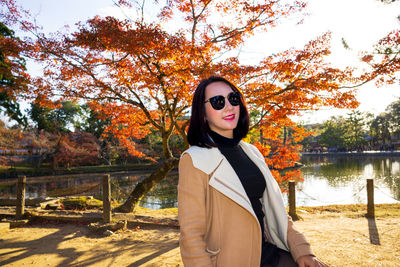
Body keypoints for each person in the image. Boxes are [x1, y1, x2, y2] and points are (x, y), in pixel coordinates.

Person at [178, 76, 329, 267]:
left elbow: (276, 211)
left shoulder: (252, 152)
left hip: (271, 254)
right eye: (218, 101)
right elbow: (191, 234)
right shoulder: (194, 159)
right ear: (203, 113)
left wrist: (302, 250)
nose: (229, 106)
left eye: (233, 98)